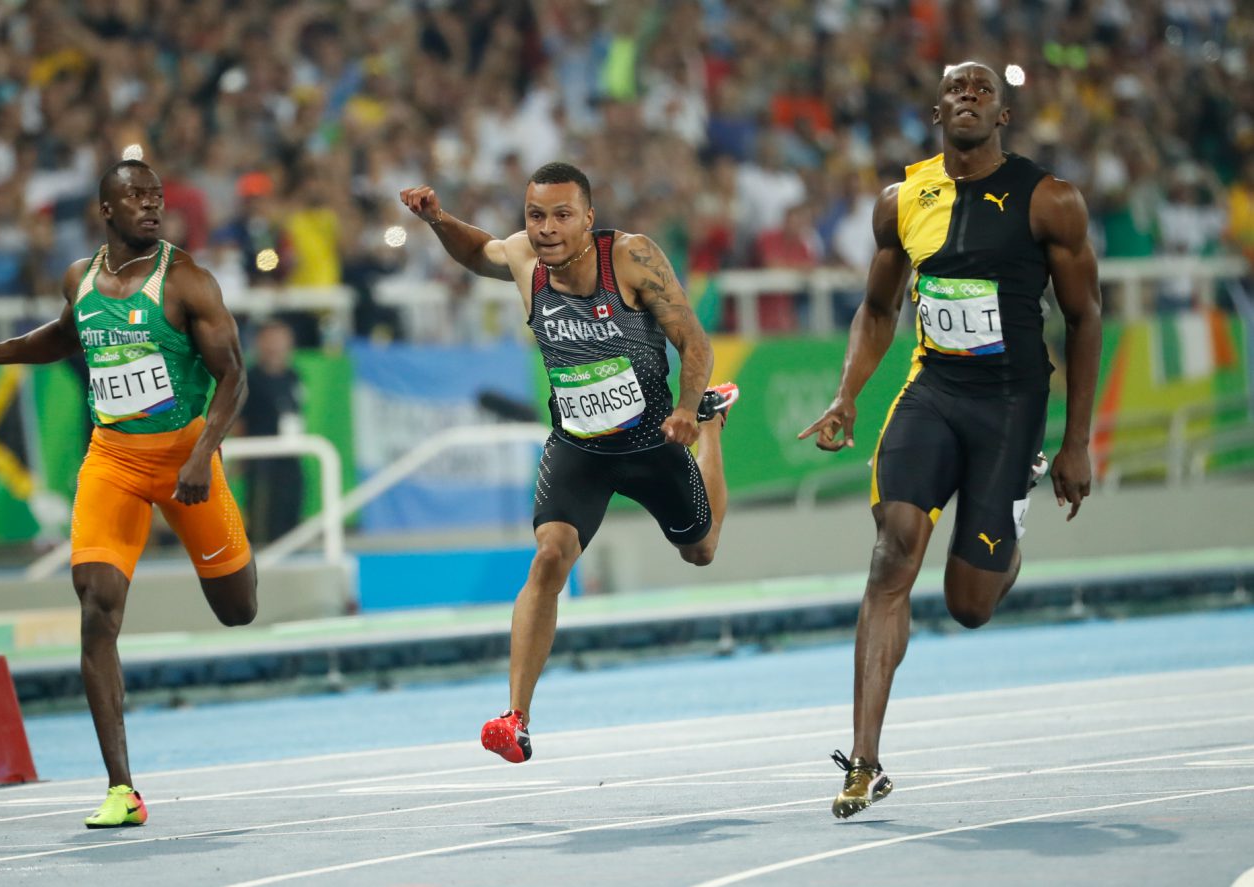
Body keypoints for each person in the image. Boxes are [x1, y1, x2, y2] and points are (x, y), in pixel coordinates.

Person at [799, 62, 1102, 818]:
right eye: (955, 89)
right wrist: (846, 394)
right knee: (893, 551)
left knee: (969, 605)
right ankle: (864, 761)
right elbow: (878, 310)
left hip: (1010, 407)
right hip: (931, 393)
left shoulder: (1050, 200)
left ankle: (1012, 512)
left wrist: (1076, 442)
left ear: (1003, 116)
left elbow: (1085, 317)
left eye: (982, 90)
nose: (968, 95)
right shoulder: (902, 201)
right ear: (937, 113)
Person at [400, 161, 739, 763]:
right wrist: (438, 220)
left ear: (588, 218)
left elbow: (694, 339)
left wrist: (689, 409)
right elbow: (478, 252)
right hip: (579, 447)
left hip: (652, 441)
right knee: (550, 555)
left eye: (562, 215)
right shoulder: (524, 259)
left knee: (702, 549)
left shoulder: (630, 257)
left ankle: (714, 424)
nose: (547, 229)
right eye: (536, 216)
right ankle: (516, 718)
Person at [0, 159, 257, 828]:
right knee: (97, 607)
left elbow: (234, 375)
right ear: (106, 210)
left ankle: (225, 544)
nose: (152, 206)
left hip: (185, 459)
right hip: (113, 458)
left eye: (157, 196)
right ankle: (122, 788)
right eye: (136, 197)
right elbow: (66, 337)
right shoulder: (80, 278)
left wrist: (203, 454)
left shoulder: (188, 281)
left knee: (238, 610)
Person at [241, 318, 305, 544]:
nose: (276, 346)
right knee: (264, 523)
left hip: (291, 460)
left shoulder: (293, 376)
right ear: (259, 342)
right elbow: (238, 422)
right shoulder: (249, 379)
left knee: (291, 517)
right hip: (262, 463)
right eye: (271, 339)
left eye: (281, 339)